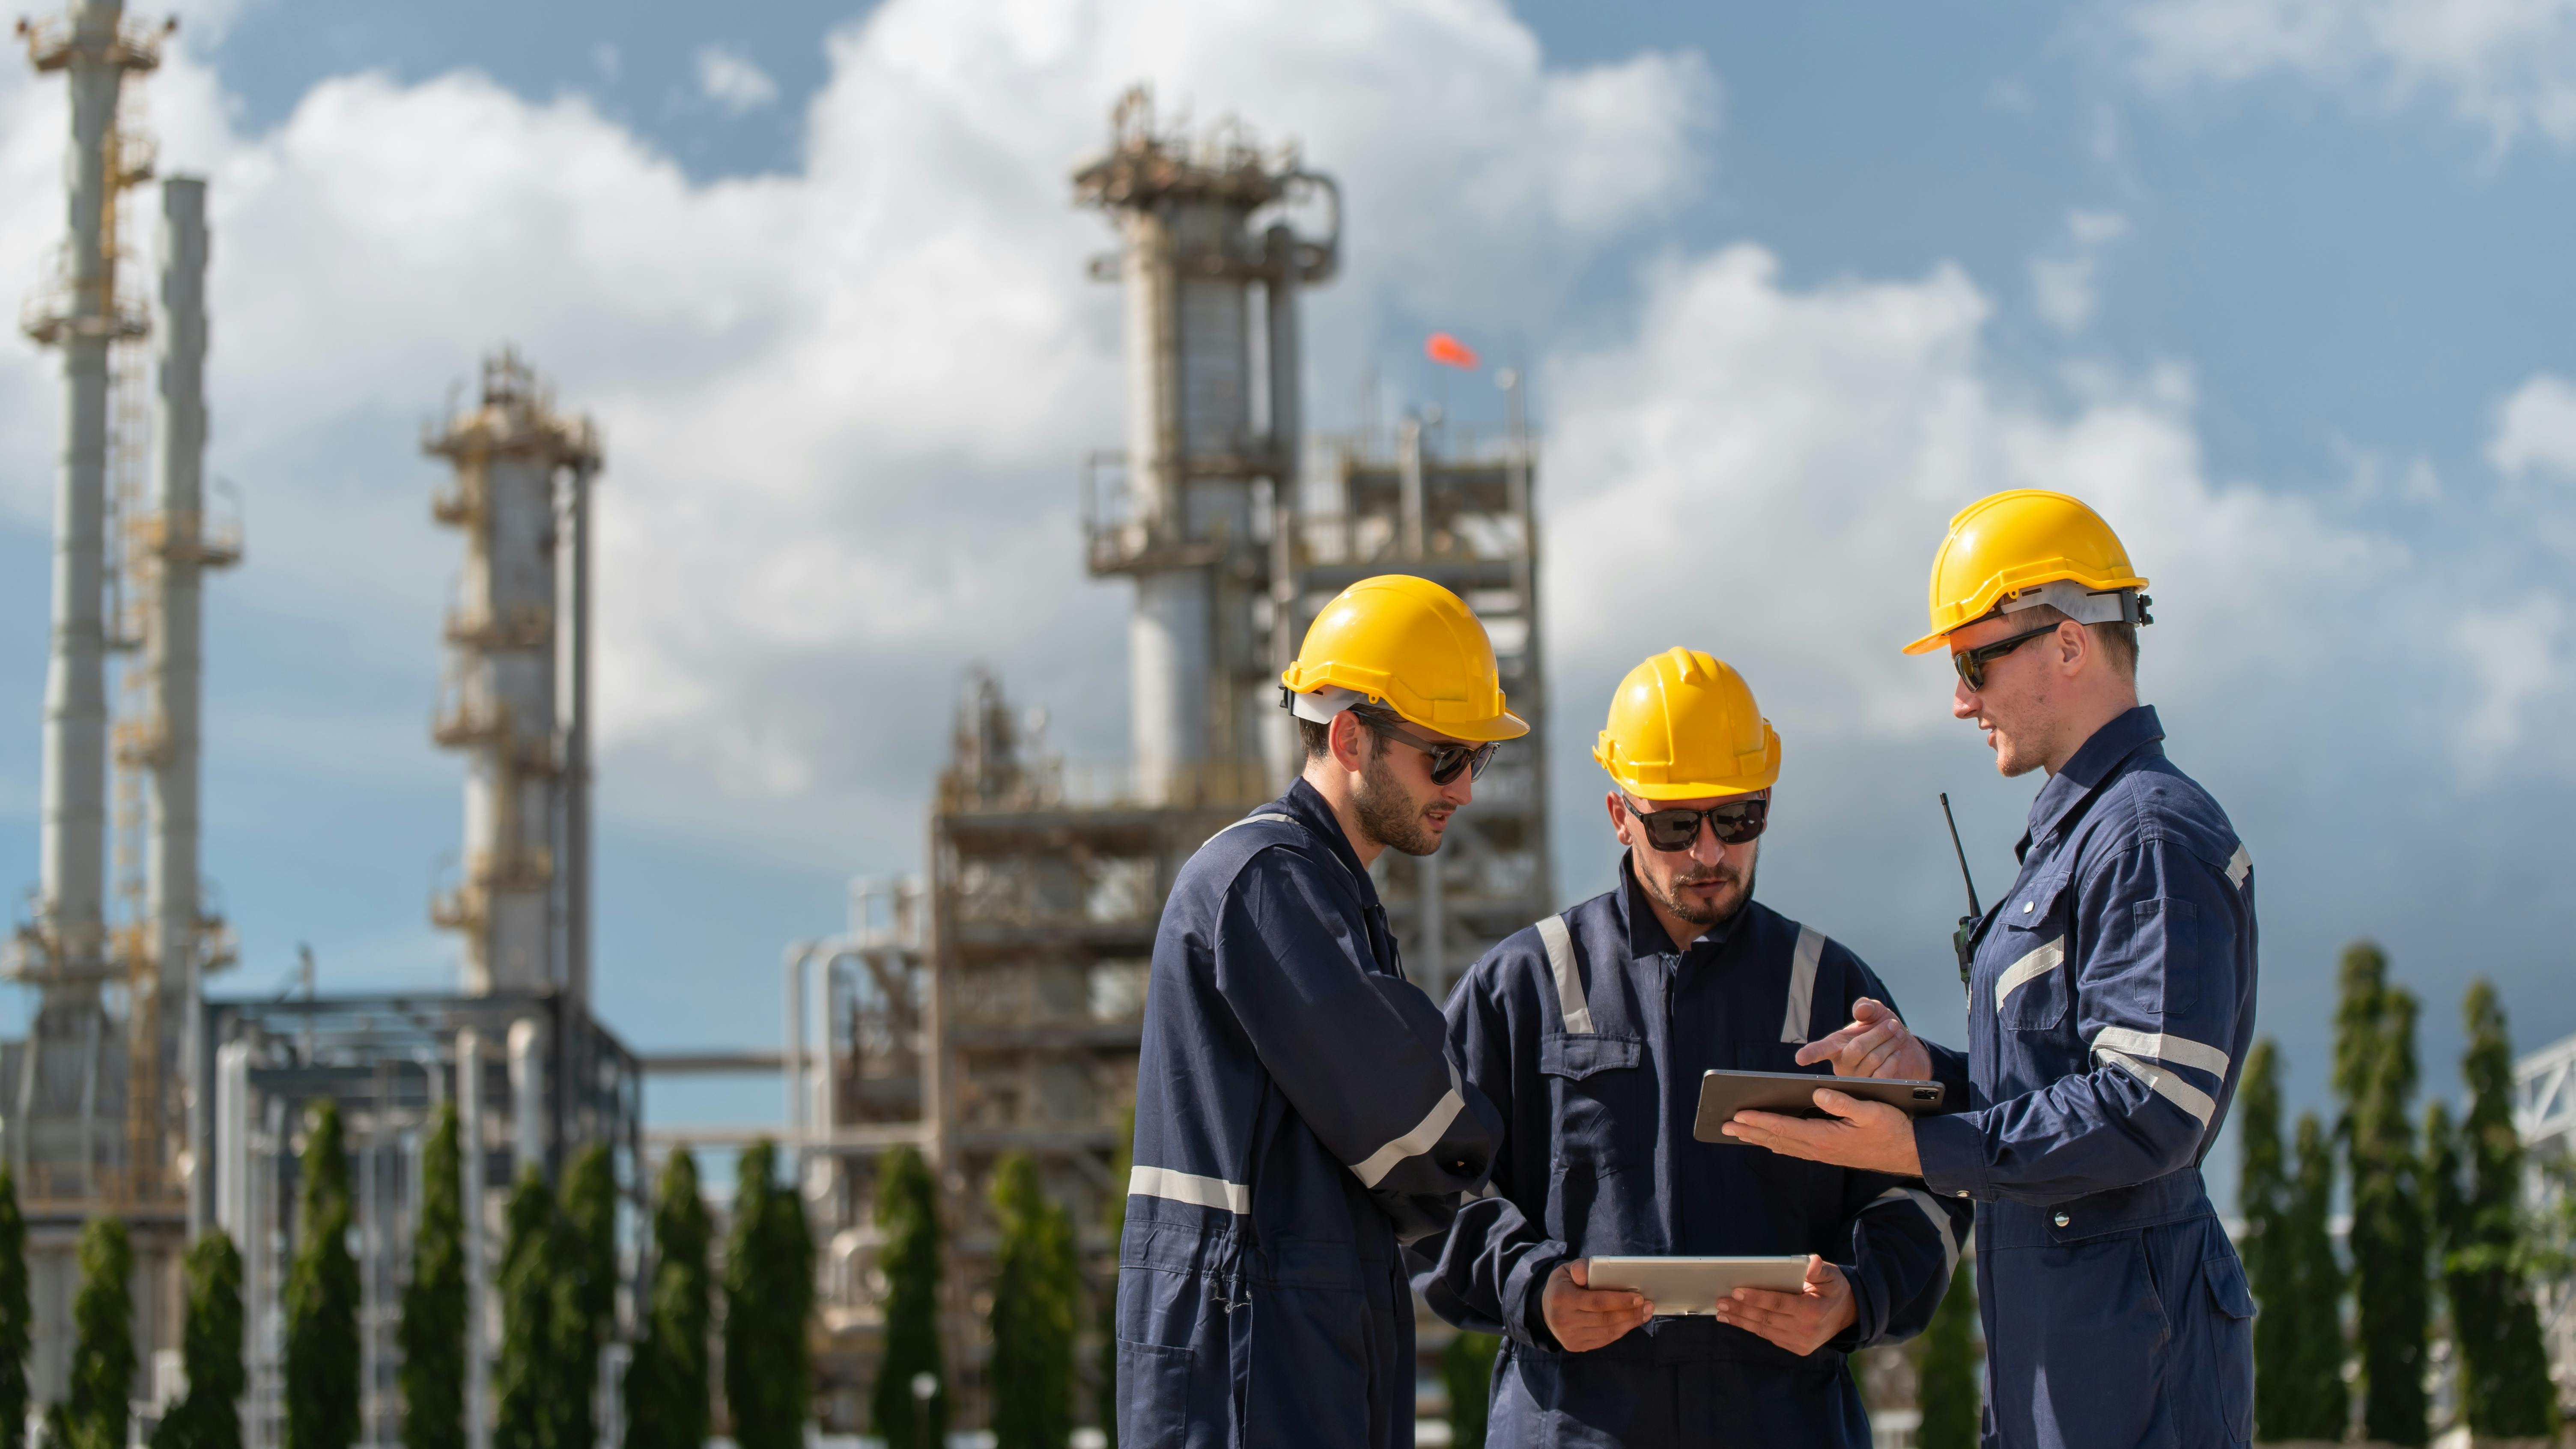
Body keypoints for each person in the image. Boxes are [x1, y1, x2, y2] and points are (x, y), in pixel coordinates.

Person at [1723, 490, 2260, 1449]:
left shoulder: (2144, 833)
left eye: (1973, 660)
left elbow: (2150, 1106)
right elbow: (2058, 1091)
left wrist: (1913, 1150)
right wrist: (1924, 1084)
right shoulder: (2085, 838)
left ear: (2067, 644)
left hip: (2127, 1376)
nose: (1960, 698)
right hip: (2073, 1361)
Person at [1413, 647, 1970, 1447]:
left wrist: (1856, 1297)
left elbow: (1927, 1182)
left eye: (1737, 819)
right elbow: (1431, 1192)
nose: (1709, 853)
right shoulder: (1525, 985)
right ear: (1619, 815)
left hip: (1784, 1426)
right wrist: (1532, 1290)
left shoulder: (1829, 989)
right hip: (1577, 1427)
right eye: (1675, 825)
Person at [1116, 574, 1515, 1449]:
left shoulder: (1320, 891)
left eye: (1476, 759)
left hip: (1283, 1353)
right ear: (1348, 735)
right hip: (1255, 1368)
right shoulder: (1268, 884)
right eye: (1443, 757)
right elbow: (1412, 1122)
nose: (1465, 789)